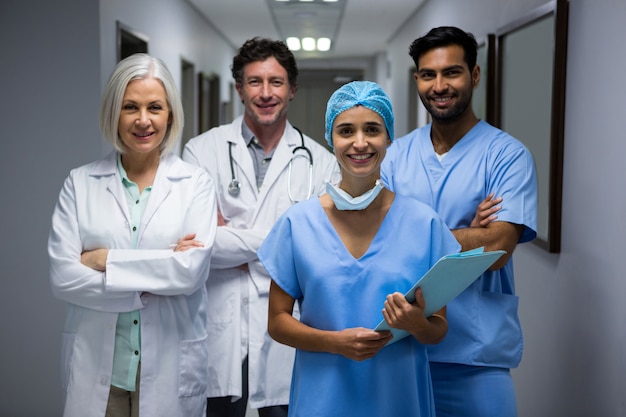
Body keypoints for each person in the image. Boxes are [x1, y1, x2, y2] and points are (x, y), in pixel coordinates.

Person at [257, 80, 462, 417]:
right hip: (321, 399)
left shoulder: (423, 224)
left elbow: (438, 329)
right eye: (346, 131)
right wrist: (335, 343)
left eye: (372, 129)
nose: (360, 143)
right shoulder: (298, 224)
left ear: (389, 137)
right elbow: (277, 322)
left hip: (398, 399)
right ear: (330, 138)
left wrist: (416, 324)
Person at [48, 53, 217, 417]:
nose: (143, 120)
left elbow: (190, 273)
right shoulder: (80, 183)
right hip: (99, 368)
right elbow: (63, 277)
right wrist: (160, 269)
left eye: (155, 107)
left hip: (172, 365)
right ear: (114, 113)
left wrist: (104, 260)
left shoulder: (195, 183)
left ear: (170, 113)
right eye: (130, 107)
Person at [380, 26, 538, 417]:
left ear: (475, 75)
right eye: (428, 74)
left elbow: (499, 248)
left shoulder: (506, 156)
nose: (440, 85)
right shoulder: (395, 156)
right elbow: (374, 242)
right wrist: (471, 232)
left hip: (476, 356)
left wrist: (410, 232)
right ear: (417, 79)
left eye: (452, 72)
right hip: (402, 346)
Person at [182, 37, 338, 417]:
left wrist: (229, 237)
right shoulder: (201, 152)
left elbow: (320, 253)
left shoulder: (322, 162)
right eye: (254, 82)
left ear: (292, 89)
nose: (265, 93)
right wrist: (288, 236)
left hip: (288, 335)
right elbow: (195, 246)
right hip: (219, 331)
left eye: (276, 82)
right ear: (239, 88)